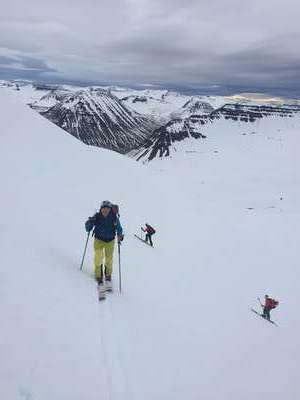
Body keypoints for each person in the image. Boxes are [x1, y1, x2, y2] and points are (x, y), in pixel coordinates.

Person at [85, 200, 123, 291]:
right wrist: (90, 223)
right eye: (103, 209)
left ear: (110, 210)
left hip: (110, 241)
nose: (105, 210)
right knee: (98, 257)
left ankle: (108, 275)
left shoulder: (114, 218)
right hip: (99, 239)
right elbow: (87, 228)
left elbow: (119, 228)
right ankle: (98, 275)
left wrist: (120, 236)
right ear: (101, 209)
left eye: (107, 209)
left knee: (109, 259)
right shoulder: (97, 216)